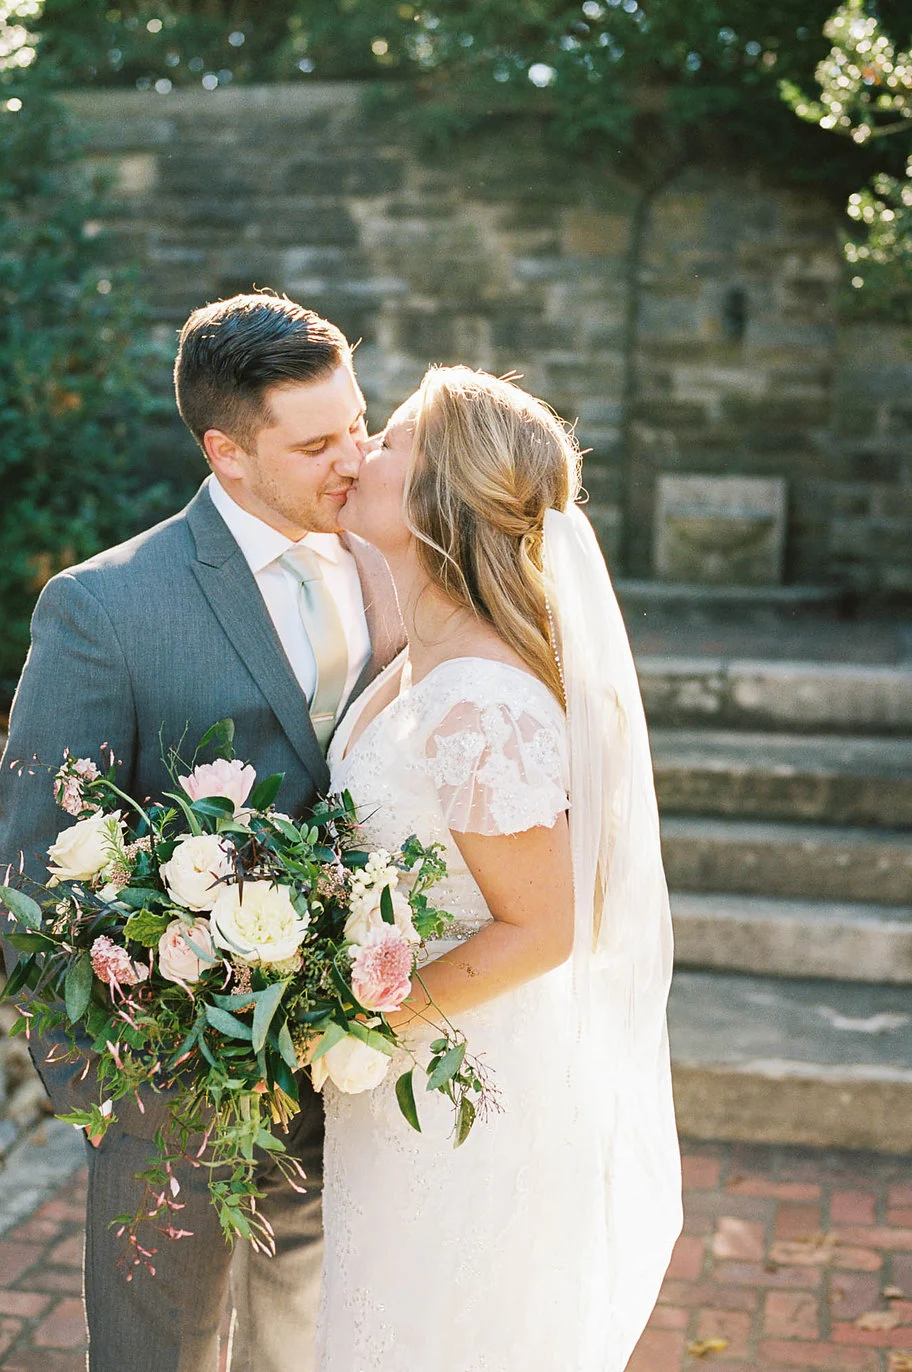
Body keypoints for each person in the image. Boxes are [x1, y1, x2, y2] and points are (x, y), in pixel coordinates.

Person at [0, 293, 404, 1372]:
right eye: (316, 442)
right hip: (178, 1092)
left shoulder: (390, 567)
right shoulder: (102, 609)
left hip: (357, 1083)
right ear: (226, 452)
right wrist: (113, 1097)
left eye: (358, 423)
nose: (353, 459)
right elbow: (39, 863)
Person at [317, 366, 683, 1371]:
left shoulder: (479, 694)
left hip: (459, 1093)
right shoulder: (416, 657)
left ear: (438, 493)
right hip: (404, 1076)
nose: (359, 456)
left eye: (387, 441)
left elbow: (543, 925)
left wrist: (356, 1019)